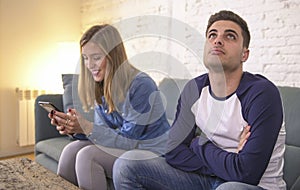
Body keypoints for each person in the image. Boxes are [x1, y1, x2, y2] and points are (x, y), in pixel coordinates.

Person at [113, 10, 286, 190]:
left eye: (230, 36)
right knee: (127, 165)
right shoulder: (193, 90)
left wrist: (198, 143)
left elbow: (247, 173)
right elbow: (173, 152)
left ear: (245, 54)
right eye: (212, 35)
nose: (218, 40)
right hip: (205, 179)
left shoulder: (262, 94)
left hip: (253, 186)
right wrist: (229, 161)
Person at [48, 24, 170, 190]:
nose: (89, 64)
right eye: (85, 58)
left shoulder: (141, 85)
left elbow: (129, 141)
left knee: (87, 156)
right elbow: (104, 133)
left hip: (152, 153)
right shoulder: (102, 85)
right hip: (128, 147)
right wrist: (76, 129)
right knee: (71, 150)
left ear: (114, 56)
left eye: (96, 57)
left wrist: (88, 127)